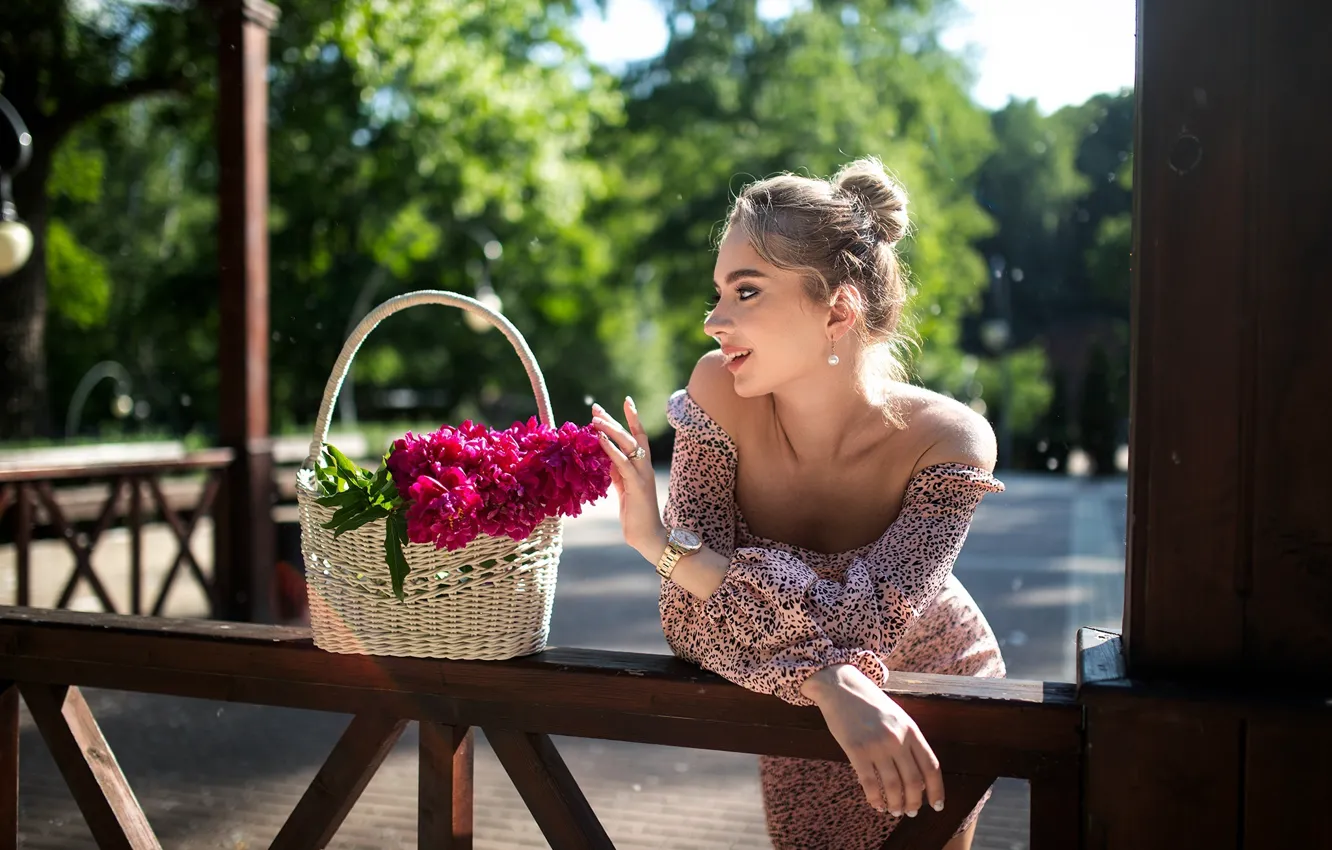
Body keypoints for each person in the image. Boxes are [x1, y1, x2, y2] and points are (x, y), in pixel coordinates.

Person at [591, 157, 1005, 850]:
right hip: (806, 700)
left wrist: (676, 553)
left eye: (746, 291)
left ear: (838, 310)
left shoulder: (951, 442)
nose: (713, 321)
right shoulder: (716, 393)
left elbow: (865, 627)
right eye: (719, 291)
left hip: (938, 692)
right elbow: (687, 625)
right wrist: (827, 681)